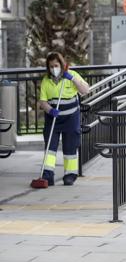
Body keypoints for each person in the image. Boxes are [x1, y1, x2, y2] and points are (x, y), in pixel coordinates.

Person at [38, 52, 90, 186]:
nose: (53, 68)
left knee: (70, 147)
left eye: (56, 65)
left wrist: (72, 78)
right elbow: (42, 102)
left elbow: (85, 90)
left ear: (62, 65)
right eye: (51, 66)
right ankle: (47, 174)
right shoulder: (46, 80)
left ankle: (70, 175)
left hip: (71, 117)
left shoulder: (72, 75)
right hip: (53, 118)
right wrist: (50, 110)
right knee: (50, 147)